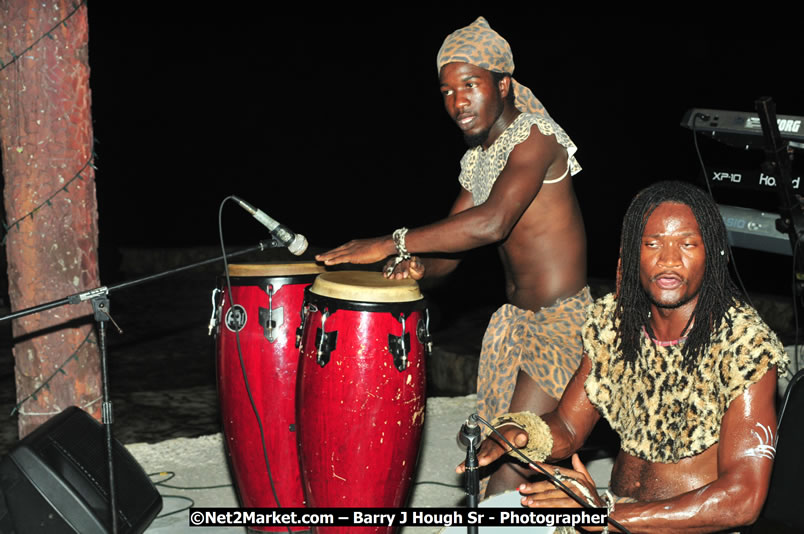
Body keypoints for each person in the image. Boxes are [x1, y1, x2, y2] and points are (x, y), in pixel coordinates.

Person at [315, 16, 590, 494]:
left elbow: (491, 223)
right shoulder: (480, 158)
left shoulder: (535, 138)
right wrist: (420, 266)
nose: (457, 102)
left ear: (503, 84)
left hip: (560, 324)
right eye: (446, 92)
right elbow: (448, 254)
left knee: (511, 472)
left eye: (470, 85)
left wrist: (390, 241)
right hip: (514, 325)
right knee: (489, 472)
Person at [459, 180, 789, 532]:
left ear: (714, 253)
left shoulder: (744, 348)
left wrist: (605, 517)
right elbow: (568, 427)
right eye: (652, 244)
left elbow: (742, 500)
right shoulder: (615, 326)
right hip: (612, 514)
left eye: (688, 244)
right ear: (632, 255)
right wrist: (521, 431)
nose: (669, 259)